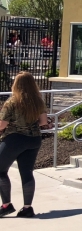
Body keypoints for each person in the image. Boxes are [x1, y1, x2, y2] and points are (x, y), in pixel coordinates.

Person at [0, 72, 51, 218]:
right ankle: (27, 208)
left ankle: (6, 205)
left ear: (16, 84)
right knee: (27, 173)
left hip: (14, 140)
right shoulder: (38, 101)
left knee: (1, 171)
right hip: (34, 139)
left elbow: (2, 125)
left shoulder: (12, 102)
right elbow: (43, 123)